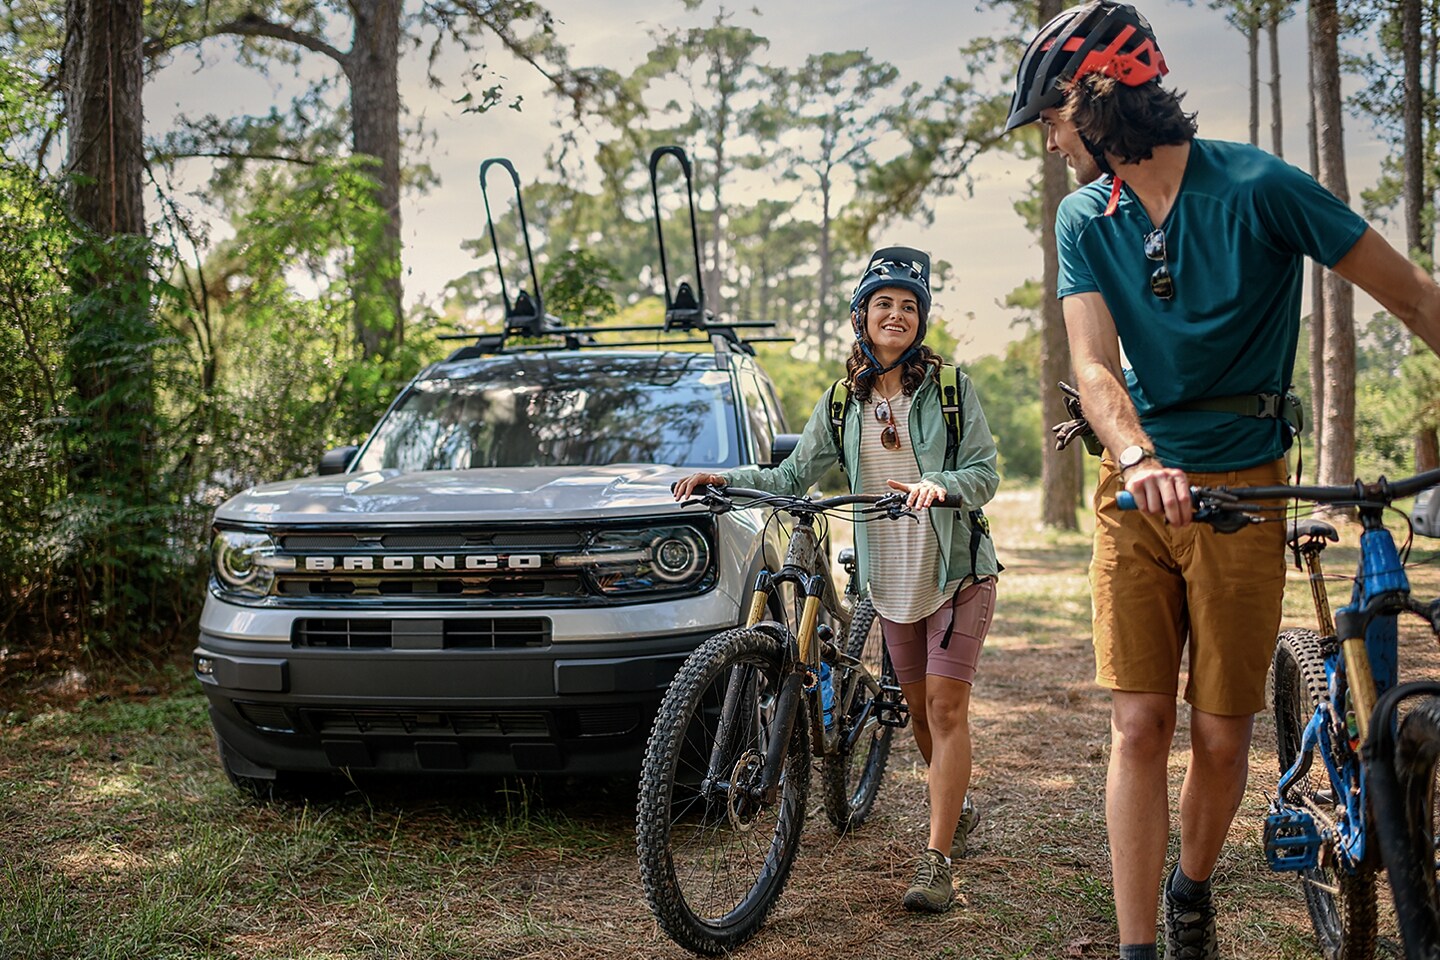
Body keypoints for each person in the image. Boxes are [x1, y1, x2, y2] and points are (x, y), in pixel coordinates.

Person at [1003, 3, 1440, 958]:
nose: (1049, 145)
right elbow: (1095, 367)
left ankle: (1191, 889)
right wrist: (1137, 457)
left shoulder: (1261, 186)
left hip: (1248, 487)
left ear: (1097, 97)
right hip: (1137, 494)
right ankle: (1140, 949)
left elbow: (1412, 297)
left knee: (1219, 738)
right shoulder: (1086, 216)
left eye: (1050, 122)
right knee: (1139, 726)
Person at [673, 246, 1002, 913]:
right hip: (891, 580)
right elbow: (793, 479)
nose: (897, 315)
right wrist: (726, 478)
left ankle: (936, 862)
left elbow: (987, 474)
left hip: (956, 571)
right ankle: (955, 800)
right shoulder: (839, 404)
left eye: (910, 307)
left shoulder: (949, 389)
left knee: (944, 707)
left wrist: (938, 485)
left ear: (921, 322)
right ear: (861, 314)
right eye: (884, 303)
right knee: (917, 714)